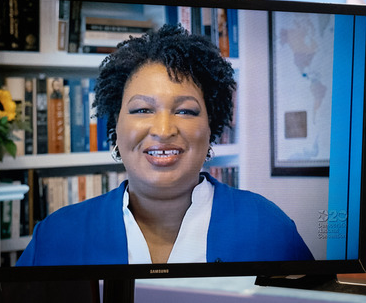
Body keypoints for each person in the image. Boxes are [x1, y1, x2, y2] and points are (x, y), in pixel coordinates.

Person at [17, 24, 314, 266]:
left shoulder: (270, 229)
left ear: (211, 127)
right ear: (115, 127)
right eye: (142, 110)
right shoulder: (57, 236)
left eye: (185, 110)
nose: (163, 130)